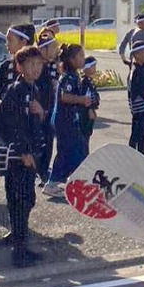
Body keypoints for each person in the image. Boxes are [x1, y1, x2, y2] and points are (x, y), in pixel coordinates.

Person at [0, 45, 46, 268]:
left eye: (39, 64)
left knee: (24, 199)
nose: (36, 68)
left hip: (28, 151)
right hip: (17, 154)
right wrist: (23, 152)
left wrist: (40, 112)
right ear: (19, 67)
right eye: (31, 64)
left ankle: (19, 240)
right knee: (21, 199)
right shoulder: (17, 90)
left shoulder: (32, 89)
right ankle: (19, 252)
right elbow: (13, 124)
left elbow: (34, 121)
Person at [50, 43, 91, 185]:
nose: (83, 59)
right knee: (66, 151)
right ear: (72, 59)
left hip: (70, 120)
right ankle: (53, 182)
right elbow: (64, 96)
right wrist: (81, 100)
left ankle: (74, 181)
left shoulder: (74, 76)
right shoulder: (68, 77)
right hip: (64, 121)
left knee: (77, 149)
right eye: (81, 56)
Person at [34, 28, 61, 185]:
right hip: (38, 109)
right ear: (42, 49)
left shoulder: (52, 65)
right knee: (40, 141)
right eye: (53, 48)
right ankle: (39, 171)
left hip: (50, 109)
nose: (55, 51)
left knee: (49, 141)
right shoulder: (37, 66)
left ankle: (43, 172)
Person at [127, 40, 144, 154]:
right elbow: (143, 91)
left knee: (139, 135)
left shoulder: (141, 68)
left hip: (142, 108)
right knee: (138, 136)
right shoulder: (136, 72)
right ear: (137, 55)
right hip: (139, 109)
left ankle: (137, 156)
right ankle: (136, 157)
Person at [80, 55, 100, 142]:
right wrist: (90, 109)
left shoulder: (90, 81)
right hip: (86, 113)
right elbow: (86, 98)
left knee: (88, 134)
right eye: (93, 66)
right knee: (85, 134)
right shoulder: (85, 82)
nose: (95, 68)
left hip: (91, 111)